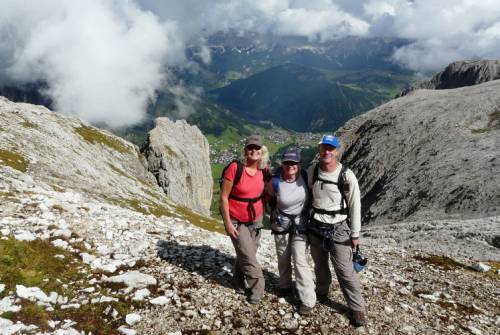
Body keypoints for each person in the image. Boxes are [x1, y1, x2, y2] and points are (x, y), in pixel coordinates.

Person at [307, 134, 367, 327]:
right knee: (320, 265)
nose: (326, 152)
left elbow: (355, 205)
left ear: (337, 151)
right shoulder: (313, 171)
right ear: (320, 150)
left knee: (345, 270)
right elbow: (309, 194)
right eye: (324, 148)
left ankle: (357, 308)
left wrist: (355, 234)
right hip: (316, 225)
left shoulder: (346, 175)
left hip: (339, 228)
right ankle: (322, 291)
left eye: (330, 149)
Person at [220, 134, 269, 304]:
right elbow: (224, 197)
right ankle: (258, 288)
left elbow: (268, 192)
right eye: (250, 148)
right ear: (245, 150)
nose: (253, 151)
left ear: (262, 152)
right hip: (236, 220)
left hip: (256, 220)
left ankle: (238, 280)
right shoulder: (235, 168)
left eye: (257, 148)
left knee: (248, 252)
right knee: (249, 256)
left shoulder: (264, 170)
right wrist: (227, 222)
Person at [268, 148, 316, 315]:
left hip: (301, 224)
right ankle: (285, 285)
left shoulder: (305, 176)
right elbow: (267, 198)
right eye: (287, 163)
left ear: (299, 164)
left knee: (299, 259)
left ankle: (308, 299)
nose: (290, 166)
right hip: (281, 223)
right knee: (282, 257)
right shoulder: (275, 180)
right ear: (282, 164)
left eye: (293, 163)